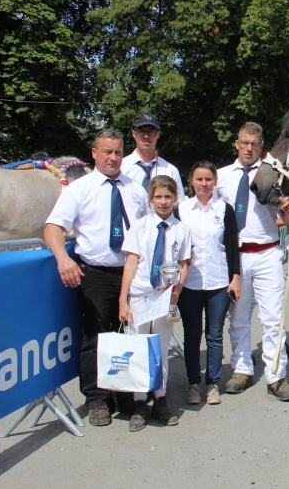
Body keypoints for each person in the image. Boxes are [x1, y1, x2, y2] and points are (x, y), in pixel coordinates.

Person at [44, 129, 149, 427]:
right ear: (94, 153)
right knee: (96, 338)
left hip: (131, 272)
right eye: (107, 152)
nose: (113, 157)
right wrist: (63, 258)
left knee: (130, 336)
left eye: (117, 152)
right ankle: (97, 400)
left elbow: (147, 230)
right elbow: (53, 227)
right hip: (96, 274)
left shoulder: (136, 189)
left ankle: (126, 394)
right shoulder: (79, 189)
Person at [217, 122, 289, 401]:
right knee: (238, 316)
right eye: (244, 143)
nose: (249, 148)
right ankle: (241, 369)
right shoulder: (221, 177)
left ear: (261, 147)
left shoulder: (273, 176)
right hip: (236, 256)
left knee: (273, 318)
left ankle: (276, 375)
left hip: (267, 252)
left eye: (255, 144)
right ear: (236, 144)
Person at [119, 176, 191, 431]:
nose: (163, 202)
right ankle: (140, 402)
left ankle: (160, 398)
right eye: (158, 197)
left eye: (168, 197)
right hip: (140, 294)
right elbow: (131, 263)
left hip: (164, 296)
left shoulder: (181, 229)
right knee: (139, 348)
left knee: (160, 349)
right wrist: (123, 299)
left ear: (175, 199)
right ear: (151, 199)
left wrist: (178, 288)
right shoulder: (139, 227)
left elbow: (184, 263)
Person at [176, 161, 241, 406]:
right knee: (192, 336)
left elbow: (232, 247)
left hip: (218, 283)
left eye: (208, 179)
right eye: (199, 179)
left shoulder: (225, 209)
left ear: (215, 182)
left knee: (214, 335)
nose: (204, 184)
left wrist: (235, 277)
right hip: (189, 283)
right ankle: (194, 383)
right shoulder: (181, 210)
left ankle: (212, 384)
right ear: (192, 181)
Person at [121, 113, 185, 201]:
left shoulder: (170, 170)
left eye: (151, 131)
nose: (146, 136)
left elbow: (179, 204)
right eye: (141, 131)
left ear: (158, 134)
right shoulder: (121, 168)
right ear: (133, 133)